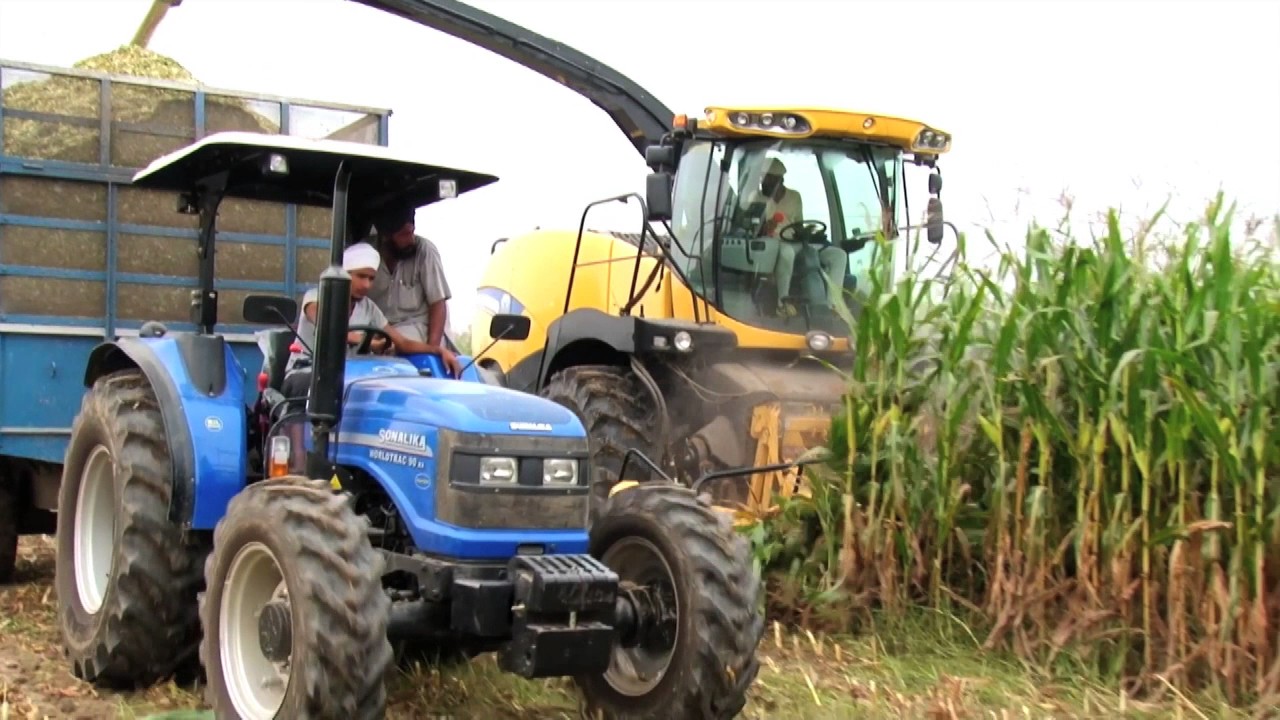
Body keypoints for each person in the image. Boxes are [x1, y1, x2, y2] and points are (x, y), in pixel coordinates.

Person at [286, 241, 463, 377]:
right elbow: (327, 326)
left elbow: (402, 343)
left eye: (371, 278)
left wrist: (439, 350)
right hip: (307, 372)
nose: (366, 285)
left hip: (348, 376)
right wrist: (368, 342)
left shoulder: (369, 308)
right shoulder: (317, 297)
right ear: (345, 273)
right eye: (361, 276)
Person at [741, 157, 847, 316]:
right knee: (787, 253)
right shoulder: (755, 198)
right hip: (771, 245)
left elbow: (798, 225)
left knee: (838, 255)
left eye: (769, 179)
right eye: (763, 178)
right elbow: (748, 228)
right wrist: (763, 227)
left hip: (795, 242)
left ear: (780, 180)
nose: (764, 182)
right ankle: (782, 303)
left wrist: (807, 232)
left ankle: (833, 306)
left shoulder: (794, 197)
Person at [366, 204, 455, 357]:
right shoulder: (366, 253)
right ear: (386, 236)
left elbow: (438, 303)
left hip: (416, 327)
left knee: (389, 349)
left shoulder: (425, 251)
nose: (411, 239)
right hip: (378, 327)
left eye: (412, 232)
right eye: (404, 235)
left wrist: (431, 352)